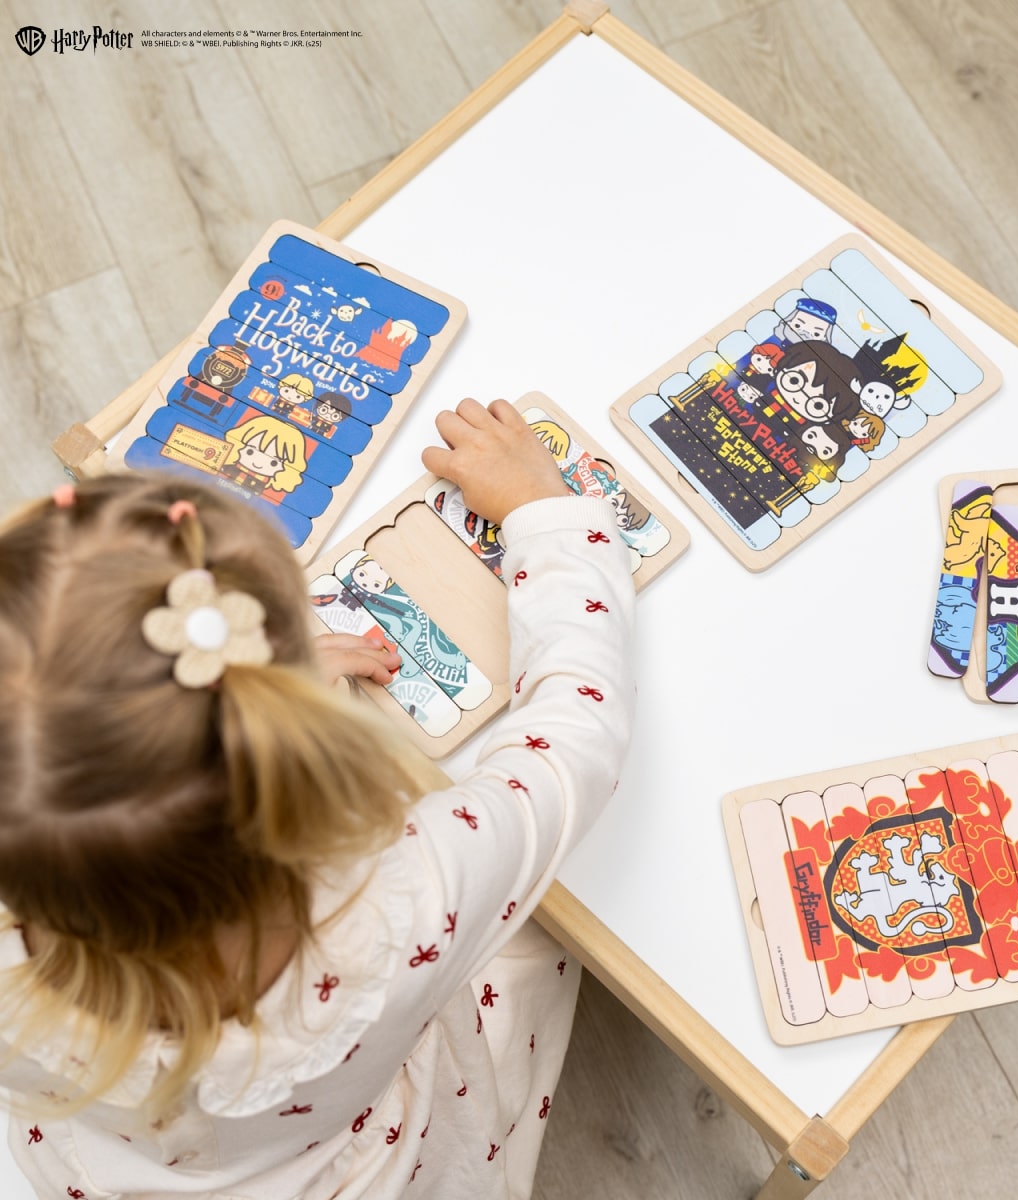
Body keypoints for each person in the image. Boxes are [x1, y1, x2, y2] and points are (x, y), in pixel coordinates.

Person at [0, 397, 636, 1199]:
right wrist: (548, 516)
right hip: (375, 1162)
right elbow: (574, 740)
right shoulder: (398, 902)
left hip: (119, 1166)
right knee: (547, 933)